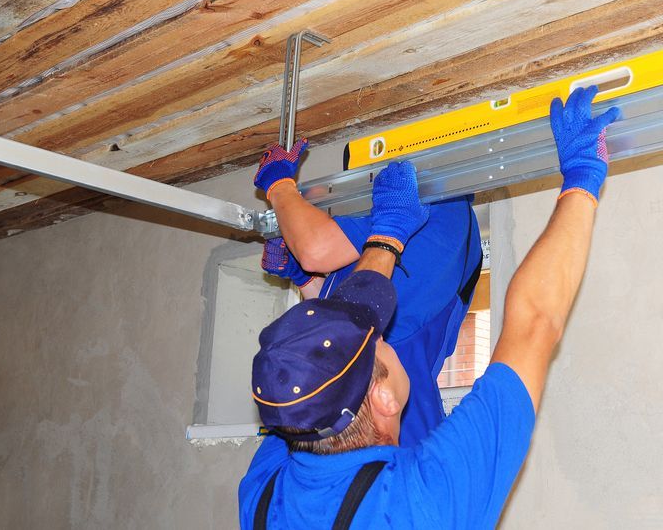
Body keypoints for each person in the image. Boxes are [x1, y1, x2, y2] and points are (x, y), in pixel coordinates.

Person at [238, 86, 620, 529]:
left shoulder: (266, 493)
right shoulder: (424, 505)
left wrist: (331, 271)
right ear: (381, 396)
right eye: (376, 340)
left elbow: (306, 392)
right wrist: (583, 177)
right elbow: (533, 323)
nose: (383, 332)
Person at [251, 137, 482, 447]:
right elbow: (315, 252)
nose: (374, 337)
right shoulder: (444, 209)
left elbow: (338, 337)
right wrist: (277, 183)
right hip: (415, 329)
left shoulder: (338, 441)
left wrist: (305, 281)